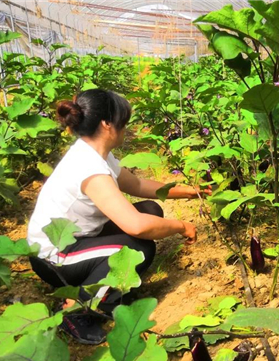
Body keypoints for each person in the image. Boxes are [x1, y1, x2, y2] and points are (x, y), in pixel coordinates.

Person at [27, 89, 210, 345]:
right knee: (137, 247)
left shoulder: (94, 154)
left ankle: (106, 293)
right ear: (106, 124)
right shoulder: (89, 168)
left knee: (150, 210)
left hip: (77, 239)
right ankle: (75, 311)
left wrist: (187, 192)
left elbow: (136, 185)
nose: (126, 126)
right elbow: (135, 226)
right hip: (55, 256)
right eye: (123, 120)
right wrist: (181, 226)